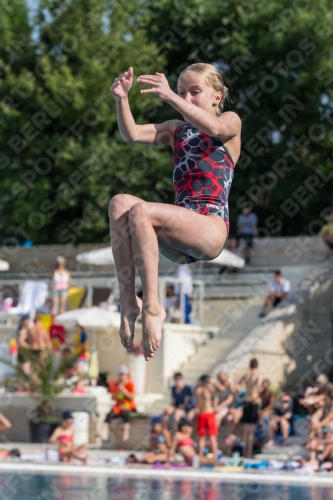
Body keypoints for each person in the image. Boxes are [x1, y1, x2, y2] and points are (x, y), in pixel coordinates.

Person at [109, 63, 241, 360]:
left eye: (195, 92)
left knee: (141, 211)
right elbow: (131, 134)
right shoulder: (175, 129)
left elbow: (215, 128)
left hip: (209, 228)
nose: (186, 98)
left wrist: (170, 96)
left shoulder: (230, 122)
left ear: (217, 97)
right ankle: (130, 302)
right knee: (120, 203)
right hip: (178, 237)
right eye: (182, 92)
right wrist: (122, 99)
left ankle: (154, 306)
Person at [98, 365, 136, 442]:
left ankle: (126, 433)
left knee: (125, 414)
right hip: (119, 406)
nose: (122, 376)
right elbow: (113, 398)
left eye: (123, 374)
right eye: (120, 374)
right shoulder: (115, 384)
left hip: (128, 405)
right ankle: (101, 431)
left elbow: (131, 397)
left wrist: (124, 391)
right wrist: (118, 391)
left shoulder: (130, 384)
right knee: (110, 414)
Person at [239, 358, 263, 458]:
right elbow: (258, 388)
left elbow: (237, 383)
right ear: (257, 366)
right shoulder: (258, 376)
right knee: (251, 431)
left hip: (246, 401)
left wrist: (242, 396)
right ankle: (249, 453)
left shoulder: (246, 375)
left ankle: (244, 452)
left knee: (245, 430)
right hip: (253, 403)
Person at [195, 375, 219, 464]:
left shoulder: (197, 390)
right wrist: (212, 382)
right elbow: (222, 389)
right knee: (212, 437)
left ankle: (200, 457)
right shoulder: (207, 389)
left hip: (201, 414)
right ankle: (215, 457)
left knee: (202, 438)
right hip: (209, 414)